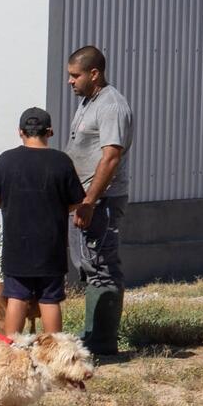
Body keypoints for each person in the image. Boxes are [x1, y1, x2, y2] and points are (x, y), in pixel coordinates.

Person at [0, 107, 86, 336]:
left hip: (16, 246)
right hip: (51, 246)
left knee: (17, 298)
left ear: (20, 132)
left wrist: (11, 206)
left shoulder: (6, 160)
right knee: (50, 299)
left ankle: (12, 352)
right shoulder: (61, 162)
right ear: (49, 132)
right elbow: (75, 201)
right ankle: (54, 355)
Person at [64, 45, 135, 359]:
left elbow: (111, 157)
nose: (70, 81)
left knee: (102, 267)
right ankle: (93, 335)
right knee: (88, 264)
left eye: (75, 75)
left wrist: (89, 201)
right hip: (84, 200)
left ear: (95, 74)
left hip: (101, 201)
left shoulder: (111, 106)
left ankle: (103, 343)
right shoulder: (87, 101)